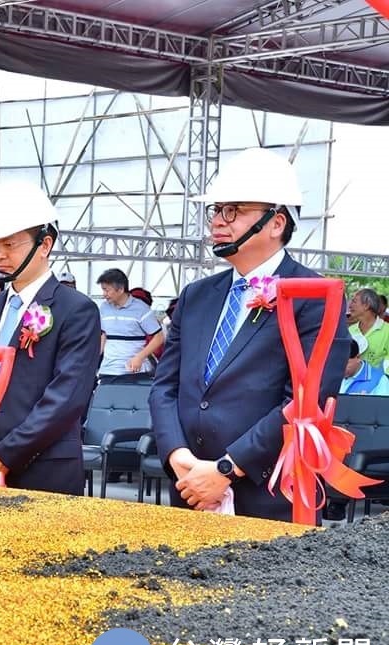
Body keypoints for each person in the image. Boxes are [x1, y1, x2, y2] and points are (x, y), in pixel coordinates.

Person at [149, 147, 350, 522]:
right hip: (189, 488)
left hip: (268, 496)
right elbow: (165, 387)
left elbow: (306, 402)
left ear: (276, 223)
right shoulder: (196, 295)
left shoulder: (315, 295)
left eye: (235, 210)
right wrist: (178, 455)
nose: (218, 221)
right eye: (217, 210)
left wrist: (227, 468)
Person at [0, 182, 101, 494]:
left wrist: (4, 454)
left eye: (9, 245)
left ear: (44, 244)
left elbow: (66, 398)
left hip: (42, 469)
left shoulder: (76, 311)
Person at [97, 268, 163, 379]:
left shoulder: (142, 309)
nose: (104, 294)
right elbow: (103, 335)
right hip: (107, 371)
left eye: (107, 290)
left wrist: (140, 357)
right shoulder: (103, 308)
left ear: (121, 289)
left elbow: (159, 337)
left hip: (134, 372)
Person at [348, 288, 389, 369]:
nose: (350, 305)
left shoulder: (387, 331)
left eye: (354, 301)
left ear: (366, 305)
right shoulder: (350, 330)